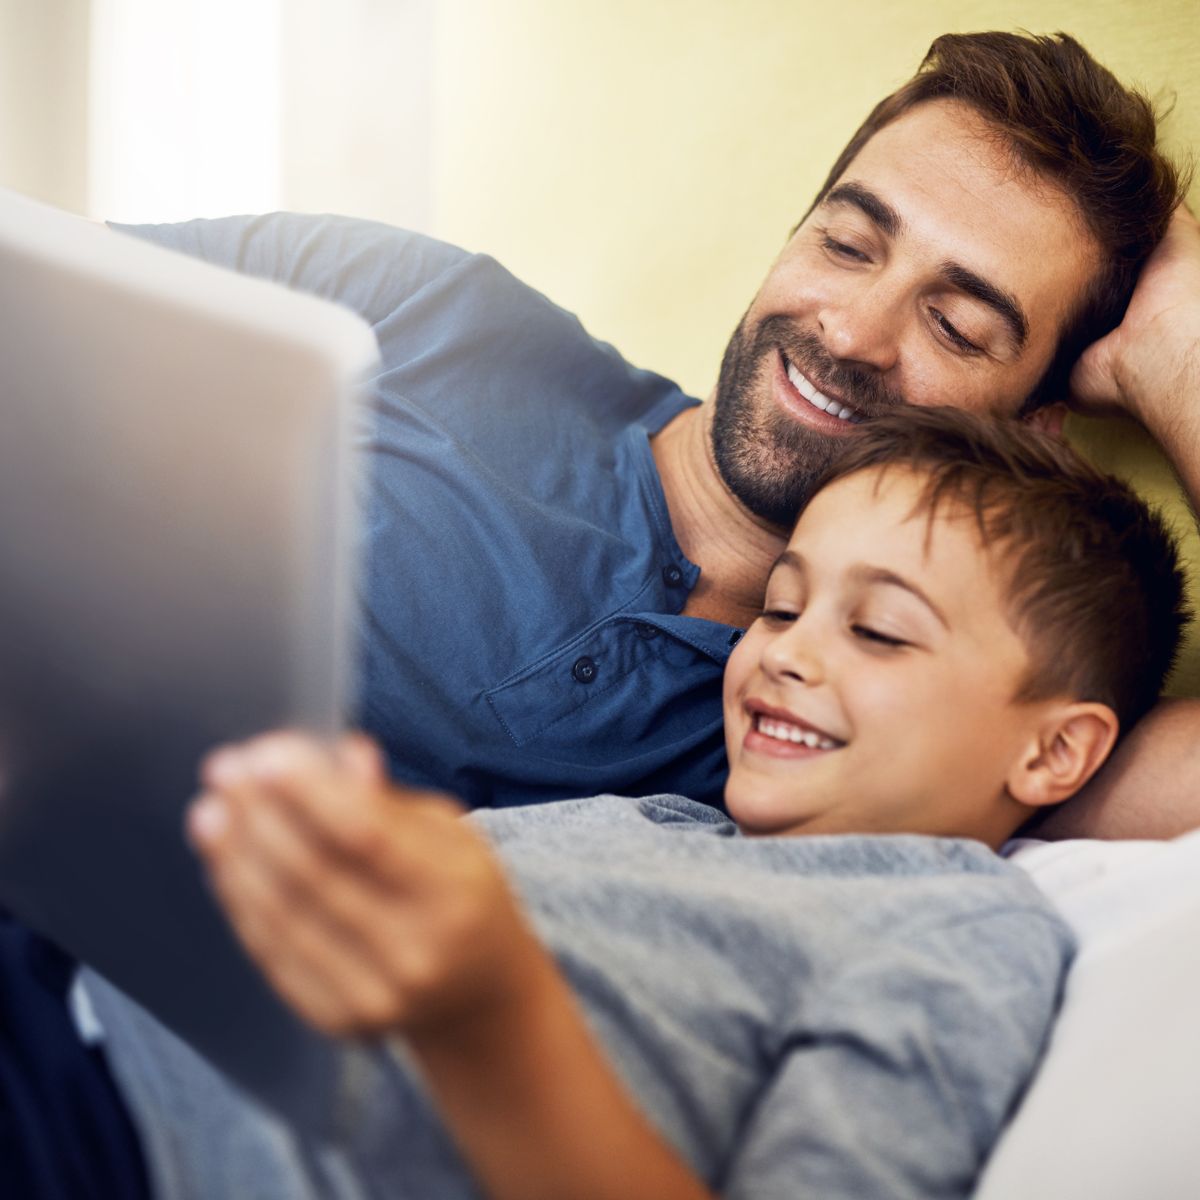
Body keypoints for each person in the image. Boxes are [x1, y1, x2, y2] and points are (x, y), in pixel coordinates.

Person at [3, 27, 1198, 1198]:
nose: (850, 332)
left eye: (958, 325)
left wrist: (1180, 358)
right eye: (846, 243)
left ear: (1028, 423)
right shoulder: (423, 311)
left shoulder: (847, 749)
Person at [97, 406, 1184, 1200]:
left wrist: (493, 1013)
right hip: (95, 994)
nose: (785, 656)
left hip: (133, 1140)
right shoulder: (663, 816)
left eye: (880, 631)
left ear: (1054, 752)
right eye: (780, 607)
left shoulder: (961, 932)